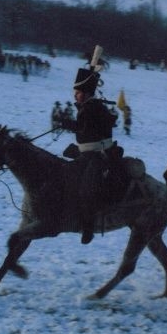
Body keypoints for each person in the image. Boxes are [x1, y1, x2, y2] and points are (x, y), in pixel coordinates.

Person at [61, 60, 122, 244]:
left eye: (78, 92)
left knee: (87, 188)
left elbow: (88, 130)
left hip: (99, 153)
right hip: (87, 151)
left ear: (86, 93)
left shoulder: (94, 107)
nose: (75, 95)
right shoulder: (88, 106)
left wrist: (70, 124)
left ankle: (88, 226)